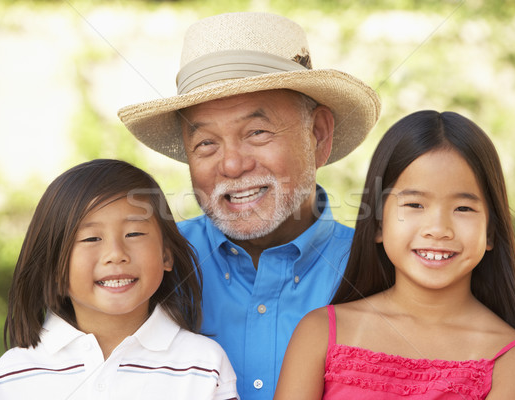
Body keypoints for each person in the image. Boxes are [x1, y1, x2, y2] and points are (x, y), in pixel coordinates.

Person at [117, 12, 381, 400]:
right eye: (206, 142)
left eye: (257, 132)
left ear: (318, 135)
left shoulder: (380, 271)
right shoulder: (149, 266)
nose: (232, 164)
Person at [274, 110, 515, 399]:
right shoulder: (319, 333)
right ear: (378, 223)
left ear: (491, 231)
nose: (439, 229)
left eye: (463, 209)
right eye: (415, 205)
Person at [0, 159, 238, 400]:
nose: (116, 254)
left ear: (166, 255)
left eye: (134, 233)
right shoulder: (12, 375)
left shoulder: (203, 365)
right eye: (91, 239)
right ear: (54, 269)